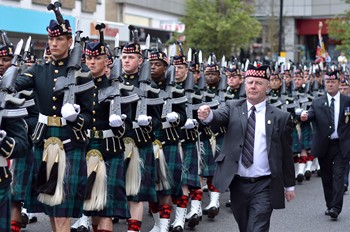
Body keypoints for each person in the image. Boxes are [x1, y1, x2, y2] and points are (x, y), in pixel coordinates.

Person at [16, 2, 94, 231]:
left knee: (61, 211)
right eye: (51, 39)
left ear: (70, 41)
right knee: (51, 207)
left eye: (59, 39)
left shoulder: (82, 73)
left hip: (70, 141)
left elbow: (89, 114)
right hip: (44, 138)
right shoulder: (39, 69)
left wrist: (76, 118)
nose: (53, 43)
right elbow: (17, 84)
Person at [198, 64, 295, 232]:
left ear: (267, 86)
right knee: (245, 227)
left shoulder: (281, 117)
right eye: (249, 82)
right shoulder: (233, 107)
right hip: (238, 183)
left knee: (257, 227)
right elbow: (218, 117)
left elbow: (285, 154)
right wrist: (208, 115)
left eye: (258, 82)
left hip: (264, 184)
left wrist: (289, 186)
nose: (253, 86)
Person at [82, 29, 131, 232]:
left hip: (109, 149)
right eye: (88, 58)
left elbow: (128, 127)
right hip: (84, 148)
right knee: (91, 207)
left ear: (107, 61)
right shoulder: (78, 87)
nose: (92, 62)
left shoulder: (119, 89)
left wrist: (120, 124)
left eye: (97, 58)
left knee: (105, 209)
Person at [300, 70, 350, 220]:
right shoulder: (318, 102)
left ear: (339, 83)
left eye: (333, 82)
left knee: (339, 176)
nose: (330, 84)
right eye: (328, 82)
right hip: (324, 145)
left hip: (342, 145)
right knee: (327, 177)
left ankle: (336, 207)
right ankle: (330, 205)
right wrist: (305, 116)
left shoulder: (347, 101)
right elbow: (311, 113)